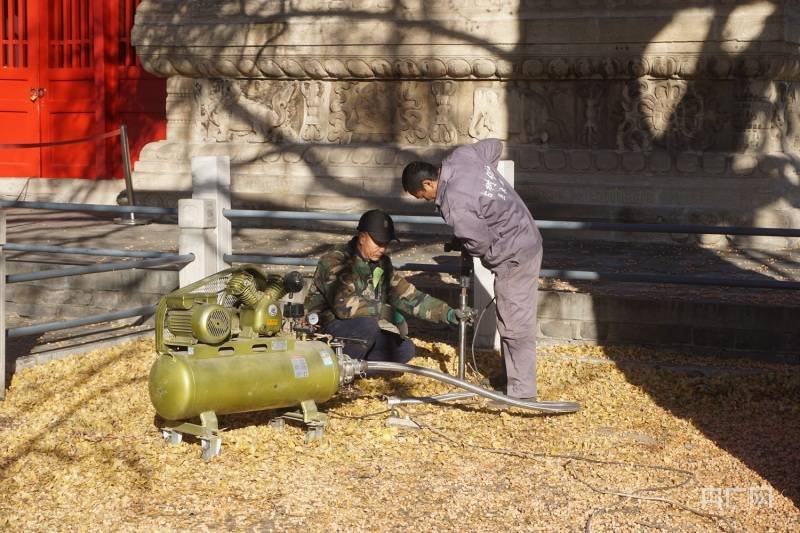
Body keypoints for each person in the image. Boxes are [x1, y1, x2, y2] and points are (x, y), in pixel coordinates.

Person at [401, 138, 543, 400]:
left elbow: (479, 241)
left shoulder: (454, 202)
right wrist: (489, 195)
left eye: (422, 196)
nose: (425, 200)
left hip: (514, 254)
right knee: (509, 316)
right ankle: (513, 377)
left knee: (514, 324)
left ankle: (522, 393)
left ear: (428, 183)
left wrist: (483, 246)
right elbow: (495, 146)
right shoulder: (463, 157)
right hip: (526, 236)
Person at [305, 209, 465, 365]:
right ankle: (338, 371)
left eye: (386, 243)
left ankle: (357, 367)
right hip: (326, 330)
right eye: (378, 242)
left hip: (358, 332)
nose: (382, 248)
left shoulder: (381, 264)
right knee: (367, 326)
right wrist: (386, 311)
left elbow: (409, 296)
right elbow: (344, 307)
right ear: (362, 237)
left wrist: (447, 313)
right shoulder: (334, 261)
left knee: (404, 349)